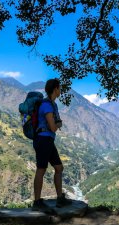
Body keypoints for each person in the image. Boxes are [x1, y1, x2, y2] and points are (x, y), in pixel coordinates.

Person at [31, 78, 72, 212]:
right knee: (41, 169)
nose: (60, 91)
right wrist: (59, 124)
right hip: (43, 140)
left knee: (59, 167)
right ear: (55, 89)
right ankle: (37, 201)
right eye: (59, 88)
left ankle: (59, 198)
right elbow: (53, 127)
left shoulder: (52, 104)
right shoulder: (47, 106)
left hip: (48, 140)